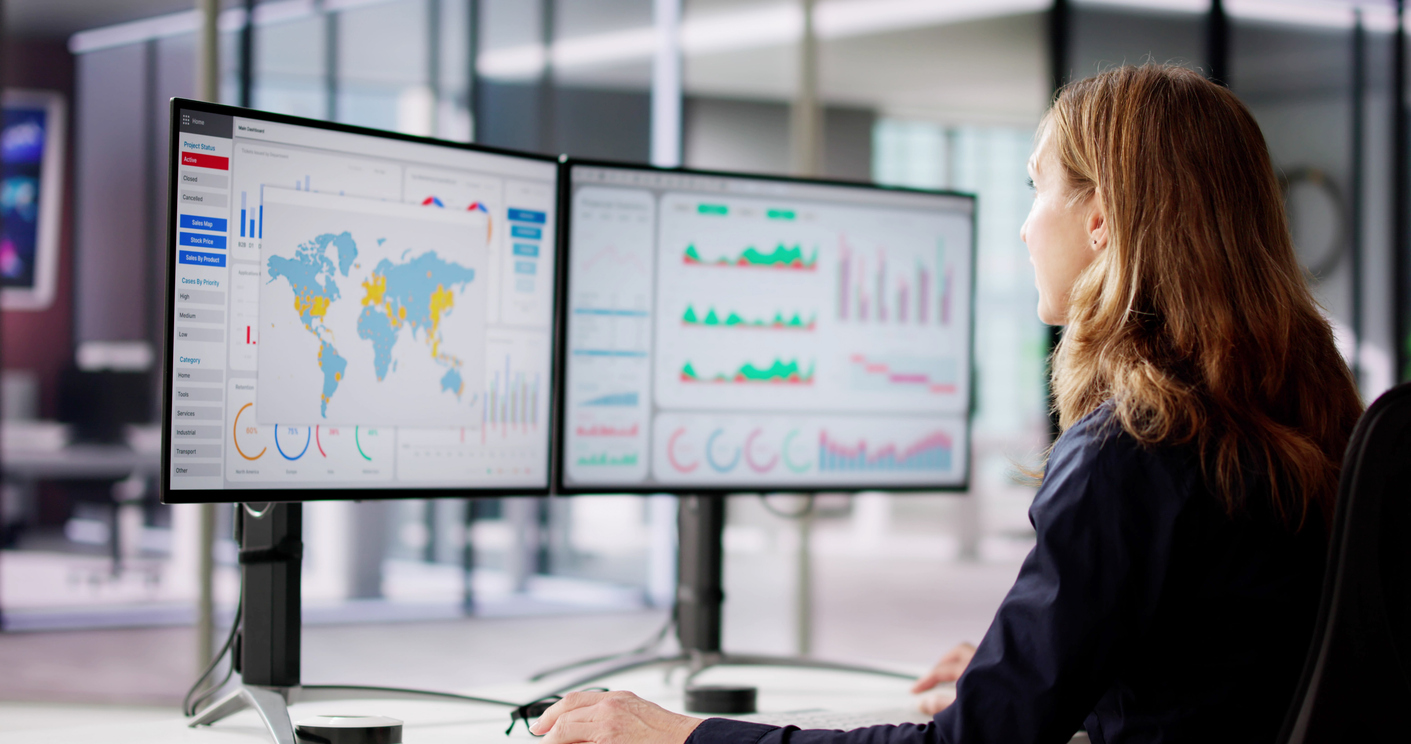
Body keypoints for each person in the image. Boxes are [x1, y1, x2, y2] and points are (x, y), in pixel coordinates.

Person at [528, 64, 1364, 744]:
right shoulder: (1303, 417)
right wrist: (1030, 673)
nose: (1024, 228)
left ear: (1101, 220)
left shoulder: (1134, 443)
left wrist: (684, 738)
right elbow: (1225, 668)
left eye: (1037, 189)